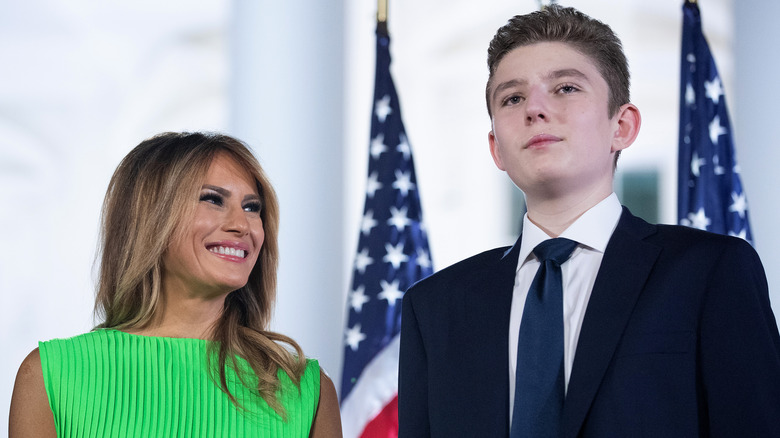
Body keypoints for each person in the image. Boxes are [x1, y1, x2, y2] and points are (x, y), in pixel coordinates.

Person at [399, 5, 780, 437]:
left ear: (622, 126)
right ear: (497, 149)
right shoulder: (433, 308)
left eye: (565, 88)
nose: (535, 109)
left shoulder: (711, 272)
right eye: (512, 98)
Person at [9, 132, 342, 437]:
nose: (243, 225)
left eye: (252, 207)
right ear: (151, 217)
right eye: (213, 199)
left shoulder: (306, 390)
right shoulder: (50, 376)